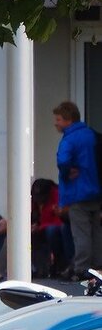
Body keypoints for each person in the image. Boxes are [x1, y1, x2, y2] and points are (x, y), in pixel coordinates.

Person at [54, 101, 102, 278]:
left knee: (81, 233)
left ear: (68, 120)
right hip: (95, 190)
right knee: (96, 232)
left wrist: (67, 172)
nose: (56, 123)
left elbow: (63, 160)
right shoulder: (91, 134)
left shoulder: (69, 138)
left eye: (58, 119)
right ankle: (98, 267)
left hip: (77, 192)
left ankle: (82, 269)